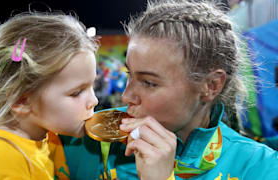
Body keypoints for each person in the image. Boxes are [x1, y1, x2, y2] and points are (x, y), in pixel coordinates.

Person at [61, 0, 278, 179]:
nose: (127, 96)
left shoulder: (262, 168)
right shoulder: (81, 139)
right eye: (130, 75)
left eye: (149, 83)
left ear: (211, 86)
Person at [0, 12, 99, 179]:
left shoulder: (46, 135)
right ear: (21, 100)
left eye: (93, 86)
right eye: (76, 93)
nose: (94, 101)